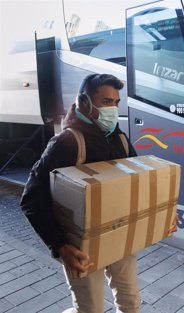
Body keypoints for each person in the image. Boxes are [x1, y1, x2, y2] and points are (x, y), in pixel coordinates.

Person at [20, 74, 141, 313]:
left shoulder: (120, 139)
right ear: (85, 103)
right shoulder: (66, 143)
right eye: (106, 102)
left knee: (130, 302)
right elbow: (32, 199)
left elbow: (139, 184)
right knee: (90, 309)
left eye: (116, 102)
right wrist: (60, 246)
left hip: (119, 235)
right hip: (80, 246)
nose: (113, 109)